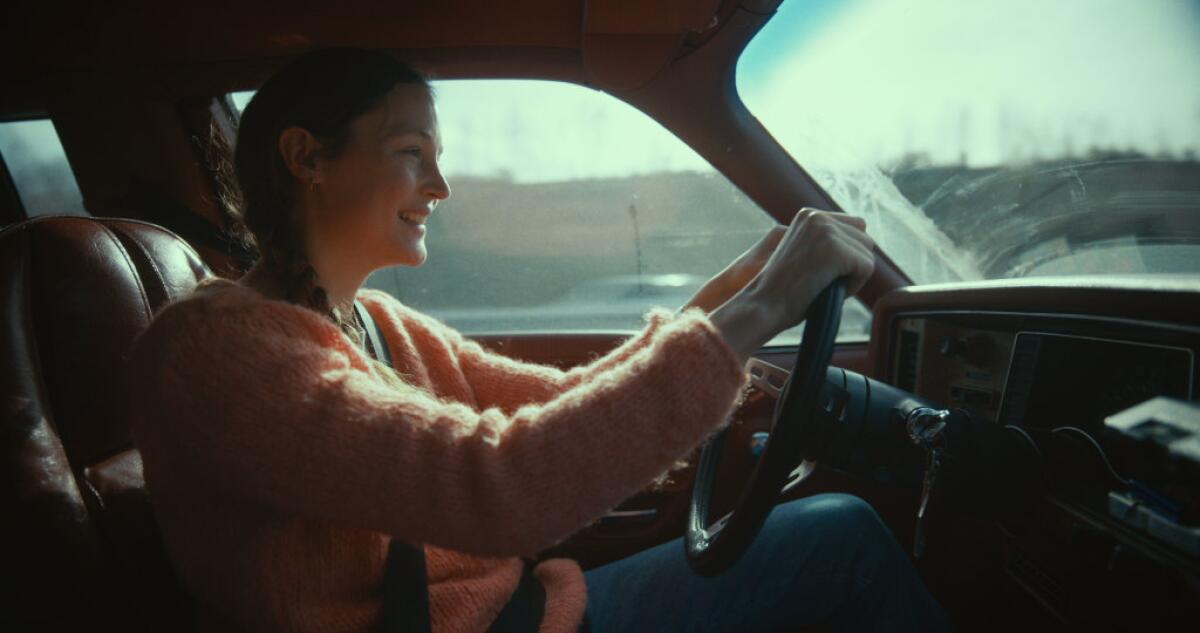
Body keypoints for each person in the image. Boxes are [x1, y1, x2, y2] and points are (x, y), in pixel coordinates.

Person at [128, 47, 949, 632]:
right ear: (307, 157)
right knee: (840, 542)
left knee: (831, 534)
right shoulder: (216, 353)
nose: (440, 187)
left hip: (529, 612)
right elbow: (500, 481)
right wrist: (761, 309)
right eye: (411, 153)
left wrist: (732, 294)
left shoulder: (372, 323)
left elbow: (558, 409)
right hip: (524, 621)